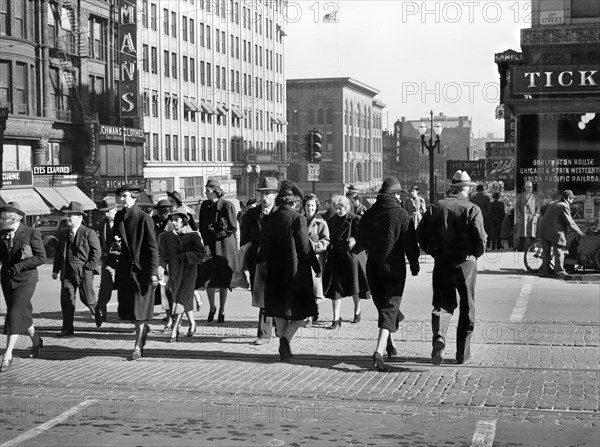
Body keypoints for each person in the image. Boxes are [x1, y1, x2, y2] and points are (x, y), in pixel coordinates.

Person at [417, 170, 487, 366]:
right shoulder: (473, 209)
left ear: (452, 187)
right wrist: (476, 253)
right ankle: (462, 354)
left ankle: (439, 335)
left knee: (443, 304)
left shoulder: (436, 207)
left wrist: (433, 251)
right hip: (466, 262)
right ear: (468, 189)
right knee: (467, 307)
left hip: (442, 261)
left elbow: (420, 233)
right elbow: (480, 238)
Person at [358, 177, 420, 372]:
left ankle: (390, 344)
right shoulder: (401, 215)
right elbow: (410, 243)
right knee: (390, 307)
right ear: (394, 195)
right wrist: (415, 263)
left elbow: (362, 241)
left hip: (373, 267)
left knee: (385, 307)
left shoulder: (369, 214)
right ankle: (378, 351)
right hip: (393, 269)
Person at [261, 183, 320, 361]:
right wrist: (316, 267)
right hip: (295, 274)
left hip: (274, 273)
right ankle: (285, 340)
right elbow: (304, 248)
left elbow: (263, 247)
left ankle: (282, 341)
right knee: (301, 312)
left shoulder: (269, 219)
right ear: (295, 202)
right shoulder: (298, 219)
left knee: (280, 311)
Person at [113, 183, 159, 361]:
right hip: (125, 270)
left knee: (139, 313)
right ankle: (142, 330)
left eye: (125, 196)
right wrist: (115, 244)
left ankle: (137, 346)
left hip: (142, 271)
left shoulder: (143, 218)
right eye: (121, 196)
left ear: (134, 196)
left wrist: (154, 272)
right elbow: (115, 240)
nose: (121, 199)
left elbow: (152, 248)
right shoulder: (119, 217)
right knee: (129, 311)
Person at [0, 202, 46, 372]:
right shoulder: (2, 233)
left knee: (14, 314)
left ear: (15, 217)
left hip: (26, 280)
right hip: (7, 279)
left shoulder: (31, 233)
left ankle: (8, 354)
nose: (2, 221)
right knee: (21, 312)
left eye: (5, 218)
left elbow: (41, 257)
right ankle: (36, 340)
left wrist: (19, 266)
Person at [52, 201, 102, 334]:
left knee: (87, 298)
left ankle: (97, 312)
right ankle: (67, 329)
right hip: (67, 272)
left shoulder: (88, 232)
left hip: (83, 270)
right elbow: (58, 253)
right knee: (66, 300)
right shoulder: (63, 233)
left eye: (71, 216)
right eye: (67, 216)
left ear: (79, 217)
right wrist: (55, 270)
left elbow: (97, 252)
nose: (67, 218)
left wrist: (88, 268)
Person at [240, 177, 279, 345]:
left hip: (276, 262)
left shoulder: (281, 214)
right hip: (257, 261)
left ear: (275, 195)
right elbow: (245, 238)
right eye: (262, 194)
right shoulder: (252, 214)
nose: (264, 197)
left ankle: (264, 333)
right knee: (261, 297)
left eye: (268, 194)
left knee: (268, 297)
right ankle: (275, 323)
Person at [158, 207, 206, 342]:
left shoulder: (193, 236)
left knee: (180, 299)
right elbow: (163, 255)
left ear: (184, 221)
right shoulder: (166, 237)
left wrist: (185, 256)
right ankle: (192, 323)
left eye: (177, 220)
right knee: (182, 299)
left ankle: (174, 329)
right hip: (174, 273)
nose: (174, 223)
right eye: (172, 220)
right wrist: (161, 267)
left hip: (189, 273)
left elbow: (201, 254)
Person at [322, 194, 369, 328]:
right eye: (336, 208)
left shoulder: (356, 219)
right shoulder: (332, 220)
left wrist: (355, 241)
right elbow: (327, 237)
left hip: (351, 257)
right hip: (336, 257)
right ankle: (336, 318)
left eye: (341, 207)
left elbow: (364, 239)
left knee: (354, 287)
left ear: (347, 207)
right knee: (335, 289)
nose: (338, 210)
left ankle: (357, 310)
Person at [198, 179, 238, 323]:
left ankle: (222, 310)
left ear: (215, 190)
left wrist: (217, 233)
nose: (205, 192)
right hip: (209, 246)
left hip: (224, 247)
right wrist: (206, 238)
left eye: (208, 189)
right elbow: (202, 226)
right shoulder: (204, 205)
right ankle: (212, 307)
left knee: (223, 280)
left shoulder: (227, 205)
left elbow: (232, 227)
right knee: (208, 279)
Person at [538, 190, 583, 277]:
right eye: (572, 198)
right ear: (568, 198)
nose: (573, 200)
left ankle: (545, 270)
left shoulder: (554, 203)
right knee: (559, 250)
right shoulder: (564, 206)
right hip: (555, 230)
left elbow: (543, 209)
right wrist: (579, 232)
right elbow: (570, 222)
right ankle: (559, 271)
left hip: (544, 229)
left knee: (546, 251)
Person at [302, 194, 330, 327]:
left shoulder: (321, 222)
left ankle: (310, 316)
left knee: (314, 288)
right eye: (308, 205)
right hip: (302, 259)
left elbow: (326, 240)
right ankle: (309, 313)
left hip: (316, 258)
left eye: (312, 205)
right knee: (304, 288)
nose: (310, 208)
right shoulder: (300, 220)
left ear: (316, 207)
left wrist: (319, 245)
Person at [151, 199, 174, 331]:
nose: (163, 212)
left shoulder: (173, 221)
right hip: (160, 260)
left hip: (174, 260)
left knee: (174, 292)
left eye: (166, 210)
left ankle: (177, 317)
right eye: (160, 210)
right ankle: (170, 318)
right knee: (164, 292)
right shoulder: (153, 221)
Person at [96, 196, 119, 323]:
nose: (106, 214)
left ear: (115, 209)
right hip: (107, 259)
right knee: (105, 285)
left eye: (108, 211)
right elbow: (101, 240)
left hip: (121, 260)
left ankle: (124, 312)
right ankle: (101, 311)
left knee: (123, 287)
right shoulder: (102, 223)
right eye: (105, 211)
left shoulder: (122, 221)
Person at [515, 181, 540, 251]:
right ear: (525, 188)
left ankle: (532, 247)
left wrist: (536, 215)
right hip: (524, 216)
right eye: (529, 187)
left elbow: (537, 206)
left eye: (531, 187)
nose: (530, 188)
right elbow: (517, 206)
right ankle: (521, 247)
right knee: (522, 233)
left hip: (532, 217)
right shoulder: (521, 196)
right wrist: (519, 215)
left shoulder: (534, 196)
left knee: (532, 233)